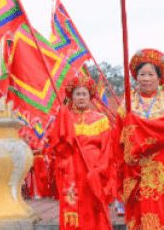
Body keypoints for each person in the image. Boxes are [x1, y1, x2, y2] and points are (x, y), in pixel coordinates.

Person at [115, 48, 164, 230]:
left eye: (150, 74)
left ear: (159, 77)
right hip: (137, 165)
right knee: (139, 209)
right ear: (135, 77)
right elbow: (120, 135)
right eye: (141, 74)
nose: (145, 78)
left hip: (162, 163)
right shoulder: (128, 103)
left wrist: (137, 128)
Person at [48, 73, 115, 230]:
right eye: (77, 94)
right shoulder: (66, 119)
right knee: (75, 207)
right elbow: (57, 146)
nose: (81, 97)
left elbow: (107, 151)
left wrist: (99, 170)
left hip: (95, 171)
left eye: (85, 93)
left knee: (95, 208)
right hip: (72, 170)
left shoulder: (101, 119)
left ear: (90, 96)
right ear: (72, 97)